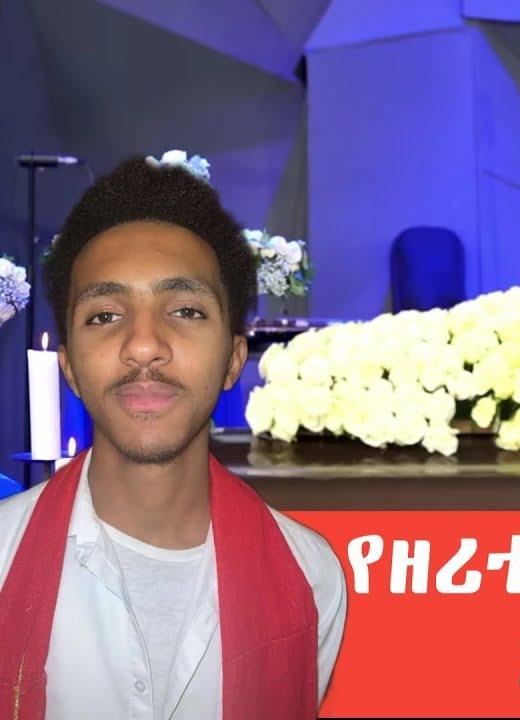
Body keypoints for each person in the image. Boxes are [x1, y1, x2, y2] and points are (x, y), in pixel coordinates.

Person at [0, 157, 346, 719]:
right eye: (104, 316)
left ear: (233, 359)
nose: (143, 345)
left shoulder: (310, 576)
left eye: (185, 310)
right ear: (69, 368)